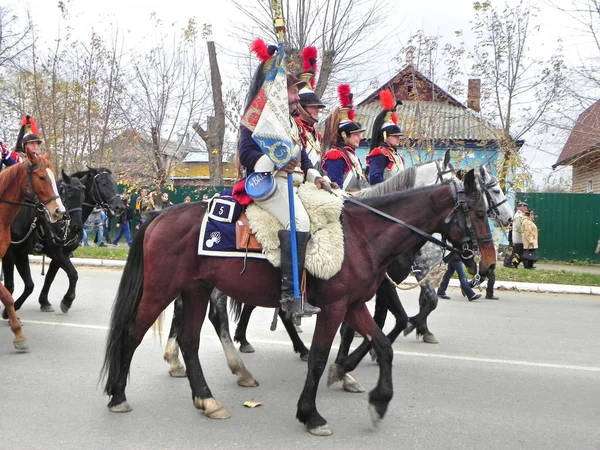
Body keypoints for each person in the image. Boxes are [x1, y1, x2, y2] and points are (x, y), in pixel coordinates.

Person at [233, 38, 333, 318]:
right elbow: (247, 154)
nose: (296, 96)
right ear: (276, 91)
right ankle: (290, 295)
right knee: (298, 221)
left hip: (296, 184)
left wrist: (315, 176)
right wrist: (277, 162)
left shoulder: (289, 122)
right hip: (269, 183)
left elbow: (301, 157)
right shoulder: (255, 119)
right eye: (292, 91)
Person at [321, 84, 369, 191]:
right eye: (356, 134)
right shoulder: (336, 156)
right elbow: (335, 189)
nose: (359, 138)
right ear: (344, 135)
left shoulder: (352, 156)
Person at [295, 46, 327, 172]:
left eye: (318, 107)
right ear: (300, 107)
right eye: (313, 106)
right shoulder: (296, 129)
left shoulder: (314, 134)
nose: (317, 110)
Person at [366, 89, 405, 184]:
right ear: (385, 135)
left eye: (398, 136)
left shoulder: (396, 156)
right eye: (395, 136)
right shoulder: (380, 154)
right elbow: (375, 179)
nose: (398, 138)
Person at [511, 202, 528, 268]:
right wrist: (525, 231)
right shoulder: (518, 215)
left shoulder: (522, 215)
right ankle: (513, 264)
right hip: (518, 238)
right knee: (517, 252)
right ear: (522, 207)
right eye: (525, 207)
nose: (526, 208)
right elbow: (518, 227)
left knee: (522, 253)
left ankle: (525, 265)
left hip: (521, 238)